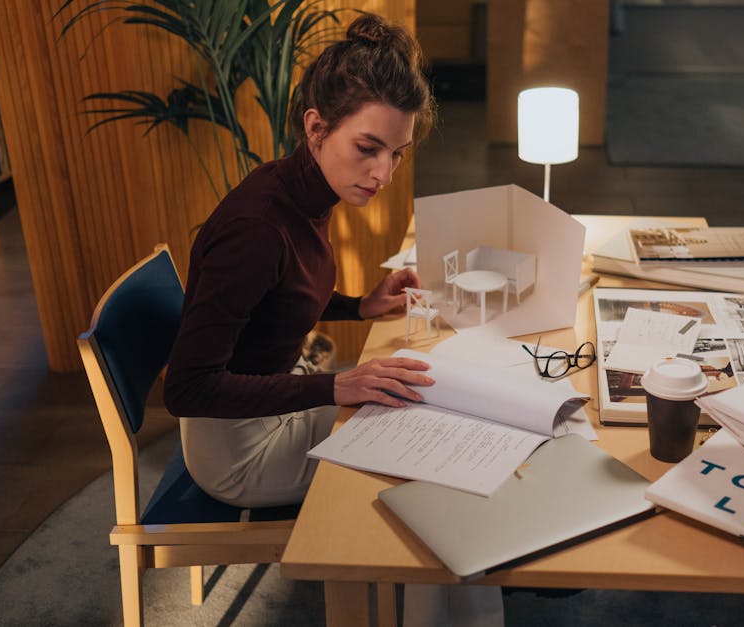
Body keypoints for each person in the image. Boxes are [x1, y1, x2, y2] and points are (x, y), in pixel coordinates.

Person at [163, 14, 503, 627]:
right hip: (238, 449)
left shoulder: (301, 191)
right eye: (368, 149)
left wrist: (358, 306)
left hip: (275, 406)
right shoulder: (257, 228)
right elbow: (185, 389)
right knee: (428, 472)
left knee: (425, 402)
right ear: (317, 128)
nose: (384, 174)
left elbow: (280, 298)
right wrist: (335, 385)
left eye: (396, 154)